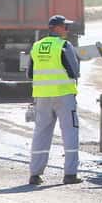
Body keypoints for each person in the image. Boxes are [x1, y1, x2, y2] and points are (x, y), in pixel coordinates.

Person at [27, 15, 82, 185]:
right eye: (65, 26)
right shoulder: (64, 46)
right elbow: (74, 71)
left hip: (42, 96)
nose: (67, 29)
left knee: (41, 134)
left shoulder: (36, 46)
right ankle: (70, 174)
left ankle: (35, 174)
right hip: (63, 96)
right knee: (70, 133)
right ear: (57, 28)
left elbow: (30, 73)